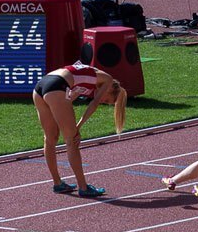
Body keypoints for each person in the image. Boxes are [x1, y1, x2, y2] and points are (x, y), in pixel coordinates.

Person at [33, 60, 127, 197]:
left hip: (41, 86)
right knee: (72, 140)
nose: (102, 101)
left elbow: (69, 99)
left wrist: (68, 123)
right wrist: (77, 127)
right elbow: (94, 104)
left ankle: (58, 183)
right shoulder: (107, 79)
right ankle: (83, 187)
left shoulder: (88, 80)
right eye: (107, 100)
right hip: (56, 85)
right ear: (111, 89)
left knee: (50, 138)